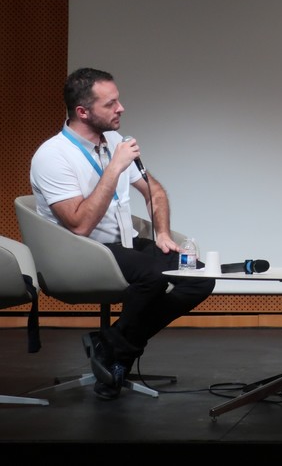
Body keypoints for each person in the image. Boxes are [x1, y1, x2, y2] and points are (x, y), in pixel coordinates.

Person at [29, 67, 215, 400]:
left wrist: (162, 233)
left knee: (199, 277)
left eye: (118, 100)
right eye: (110, 104)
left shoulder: (114, 142)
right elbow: (79, 225)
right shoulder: (52, 156)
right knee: (153, 276)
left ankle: (114, 344)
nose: (121, 108)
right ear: (83, 112)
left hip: (123, 244)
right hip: (81, 251)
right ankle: (120, 354)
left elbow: (154, 191)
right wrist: (115, 167)